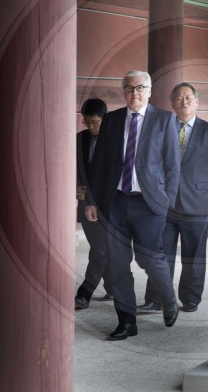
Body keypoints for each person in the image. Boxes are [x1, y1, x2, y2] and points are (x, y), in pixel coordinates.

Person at [85, 70, 181, 341]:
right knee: (118, 264)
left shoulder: (164, 120)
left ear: (149, 91)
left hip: (150, 205)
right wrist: (91, 201)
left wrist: (166, 203)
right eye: (129, 88)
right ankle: (127, 322)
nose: (135, 93)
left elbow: (173, 168)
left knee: (151, 258)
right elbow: (99, 166)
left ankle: (168, 297)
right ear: (123, 91)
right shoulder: (112, 121)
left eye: (140, 88)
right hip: (116, 202)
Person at [138, 82, 208, 314]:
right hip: (165, 203)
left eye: (188, 98)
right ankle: (156, 299)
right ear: (172, 103)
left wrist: (202, 185)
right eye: (179, 98)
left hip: (198, 202)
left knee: (194, 255)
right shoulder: (161, 127)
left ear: (196, 102)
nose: (184, 101)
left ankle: (191, 298)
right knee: (160, 253)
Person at [75, 98, 114, 310]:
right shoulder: (79, 140)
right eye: (86, 122)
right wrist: (74, 188)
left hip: (109, 207)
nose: (89, 127)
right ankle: (113, 286)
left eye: (94, 122)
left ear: (104, 119)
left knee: (100, 249)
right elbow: (70, 168)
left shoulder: (117, 141)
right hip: (85, 205)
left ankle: (85, 293)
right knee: (101, 248)